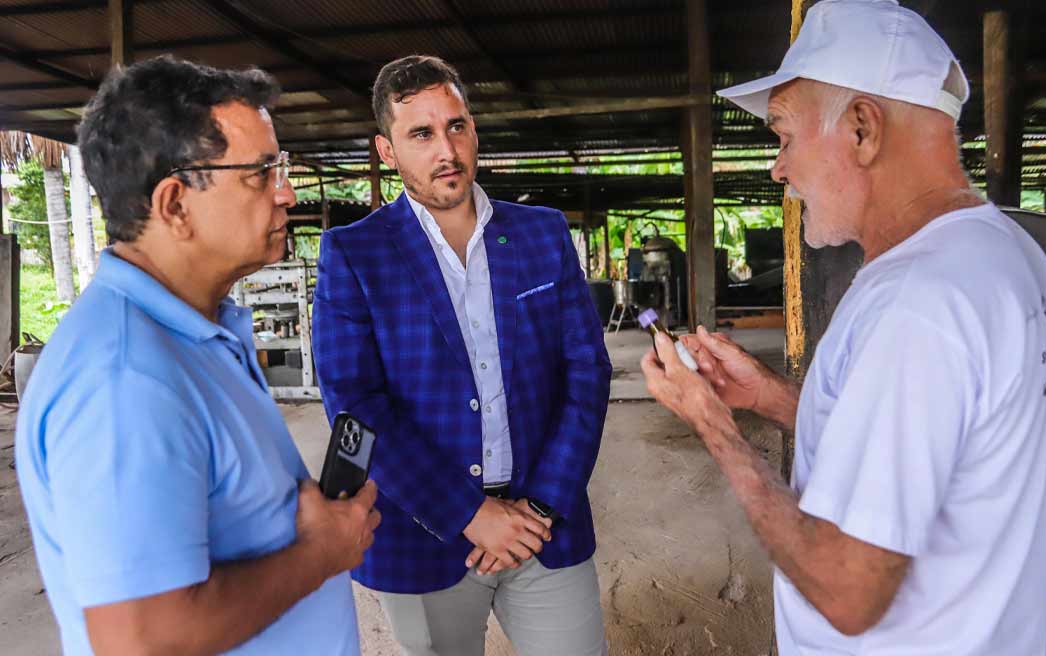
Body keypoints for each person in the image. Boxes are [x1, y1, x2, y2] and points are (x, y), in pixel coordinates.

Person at [641, 1, 1046, 654]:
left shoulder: (919, 300)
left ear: (863, 129)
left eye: (784, 135)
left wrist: (715, 426)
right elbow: (939, 440)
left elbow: (848, 592)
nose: (777, 168)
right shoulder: (1002, 253)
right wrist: (769, 396)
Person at [15, 56, 380, 656]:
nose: (287, 193)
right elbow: (142, 639)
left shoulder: (201, 333)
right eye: (262, 173)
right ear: (175, 204)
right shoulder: (125, 379)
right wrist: (321, 554)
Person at [312, 55, 611, 656]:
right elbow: (355, 405)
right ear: (387, 150)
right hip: (423, 537)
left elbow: (587, 372)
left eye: (456, 126)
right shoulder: (355, 253)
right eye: (420, 134)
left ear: (473, 129)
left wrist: (541, 503)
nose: (445, 149)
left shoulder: (541, 233)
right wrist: (470, 513)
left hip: (543, 528)